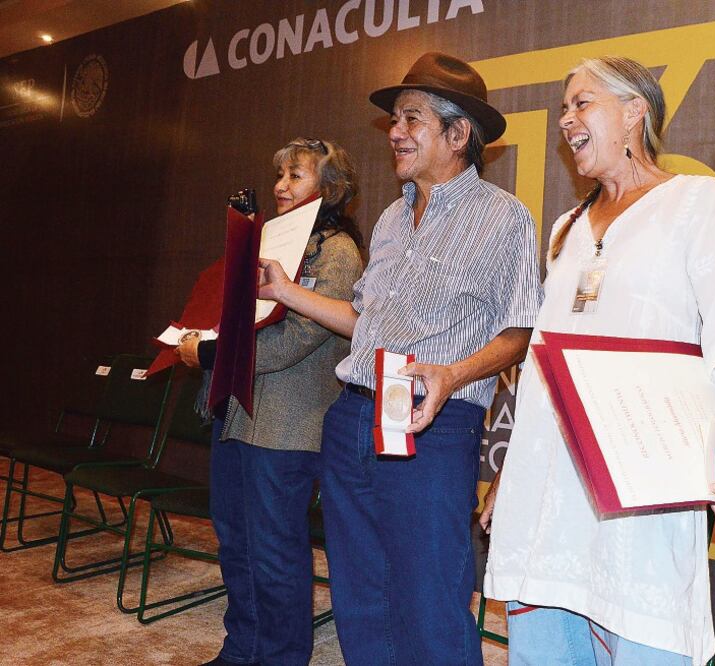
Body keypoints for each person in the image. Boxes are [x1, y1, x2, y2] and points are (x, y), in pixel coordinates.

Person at [483, 56, 715, 666]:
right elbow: (545, 361)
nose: (566, 119)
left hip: (642, 481)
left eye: (582, 103)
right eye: (563, 106)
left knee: (648, 634)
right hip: (548, 486)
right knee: (546, 638)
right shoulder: (566, 229)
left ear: (634, 113)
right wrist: (512, 473)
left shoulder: (695, 201)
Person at [257, 53, 543, 665]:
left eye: (412, 119)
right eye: (394, 119)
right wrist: (286, 290)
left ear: (458, 133)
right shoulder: (388, 218)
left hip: (431, 426)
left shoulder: (504, 218)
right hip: (352, 419)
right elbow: (363, 323)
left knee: (430, 599)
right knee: (359, 593)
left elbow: (520, 332)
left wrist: (453, 374)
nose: (394, 132)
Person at [176, 138, 364, 666]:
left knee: (275, 553)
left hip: (286, 426)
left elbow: (295, 339)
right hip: (239, 414)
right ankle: (242, 650)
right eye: (280, 175)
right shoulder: (270, 242)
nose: (281, 186)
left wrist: (211, 353)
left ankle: (279, 656)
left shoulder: (338, 251)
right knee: (236, 544)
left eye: (296, 176)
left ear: (329, 188)